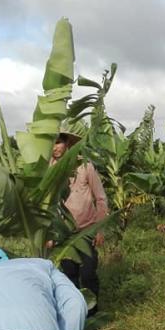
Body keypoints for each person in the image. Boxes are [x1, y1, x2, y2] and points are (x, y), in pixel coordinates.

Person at [52, 131, 109, 313]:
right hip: (63, 233)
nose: (54, 147)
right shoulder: (50, 169)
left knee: (88, 273)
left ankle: (92, 313)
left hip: (86, 230)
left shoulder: (85, 167)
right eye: (51, 143)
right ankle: (76, 313)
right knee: (69, 275)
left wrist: (100, 229)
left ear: (68, 143)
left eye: (58, 142)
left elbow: (100, 198)